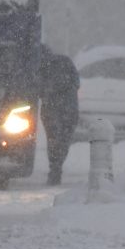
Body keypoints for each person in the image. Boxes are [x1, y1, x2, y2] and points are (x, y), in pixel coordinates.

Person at [38, 45, 80, 185]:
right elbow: (76, 82)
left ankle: (55, 169)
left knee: (54, 139)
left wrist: (49, 91)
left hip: (53, 109)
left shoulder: (41, 68)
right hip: (69, 109)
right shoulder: (65, 62)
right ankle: (57, 167)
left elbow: (37, 89)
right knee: (63, 140)